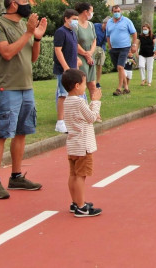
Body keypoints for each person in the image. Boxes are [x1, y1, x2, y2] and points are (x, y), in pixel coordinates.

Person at [0, 0, 48, 199]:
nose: (28, 6)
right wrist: (29, 33)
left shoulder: (24, 26)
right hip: (7, 87)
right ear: (13, 4)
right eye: (24, 2)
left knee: (22, 131)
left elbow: (33, 58)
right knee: (2, 133)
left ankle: (16, 176)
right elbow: (7, 52)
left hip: (26, 86)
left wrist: (36, 38)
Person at [61, 68, 102, 218]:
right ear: (77, 85)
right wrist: (96, 102)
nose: (86, 87)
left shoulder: (67, 101)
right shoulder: (79, 101)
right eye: (84, 84)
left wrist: (92, 106)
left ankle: (75, 202)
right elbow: (91, 118)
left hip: (73, 144)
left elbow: (84, 116)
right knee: (81, 176)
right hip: (83, 145)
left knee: (73, 174)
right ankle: (81, 206)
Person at [53, 9, 82, 134]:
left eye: (77, 19)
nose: (76, 21)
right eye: (73, 19)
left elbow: (73, 50)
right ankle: (60, 122)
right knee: (63, 95)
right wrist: (65, 67)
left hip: (73, 69)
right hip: (64, 70)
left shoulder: (73, 32)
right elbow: (58, 50)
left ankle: (68, 120)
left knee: (72, 96)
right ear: (66, 18)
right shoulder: (61, 32)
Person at [105, 5, 137, 96]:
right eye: (115, 11)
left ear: (121, 11)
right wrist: (109, 45)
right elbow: (108, 35)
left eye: (118, 11)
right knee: (120, 69)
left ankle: (119, 88)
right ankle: (126, 87)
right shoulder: (109, 22)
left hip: (124, 47)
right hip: (114, 48)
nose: (117, 13)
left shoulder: (127, 21)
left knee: (120, 67)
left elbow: (134, 33)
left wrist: (134, 45)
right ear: (112, 12)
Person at [72, 2, 98, 97]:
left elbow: (94, 40)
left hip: (90, 57)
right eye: (91, 11)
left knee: (92, 85)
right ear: (85, 12)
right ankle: (82, 108)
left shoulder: (91, 25)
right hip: (80, 58)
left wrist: (90, 53)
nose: (92, 13)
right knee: (81, 86)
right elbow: (74, 42)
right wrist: (86, 54)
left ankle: (94, 110)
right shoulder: (75, 25)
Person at [92, 16, 108, 88]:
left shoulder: (108, 31)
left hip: (101, 48)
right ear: (104, 23)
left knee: (100, 65)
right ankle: (91, 81)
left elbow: (107, 40)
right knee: (91, 64)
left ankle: (97, 82)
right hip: (93, 47)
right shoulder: (95, 26)